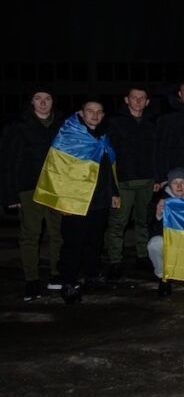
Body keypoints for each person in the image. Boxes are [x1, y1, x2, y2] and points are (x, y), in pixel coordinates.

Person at [34, 100, 120, 304]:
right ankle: (68, 283)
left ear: (103, 115)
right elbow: (57, 171)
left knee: (95, 242)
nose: (95, 115)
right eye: (90, 111)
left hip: (99, 200)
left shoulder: (103, 137)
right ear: (81, 113)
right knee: (73, 245)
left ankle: (91, 276)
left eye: (99, 112)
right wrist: (63, 202)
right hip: (75, 202)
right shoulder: (68, 136)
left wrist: (114, 193)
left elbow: (108, 168)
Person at [1, 86, 64, 300]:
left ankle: (56, 274)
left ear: (53, 101)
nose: (43, 102)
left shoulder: (62, 126)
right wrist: (10, 194)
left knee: (57, 233)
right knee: (30, 234)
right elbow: (8, 161)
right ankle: (32, 280)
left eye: (47, 98)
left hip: (56, 188)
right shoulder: (18, 127)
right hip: (29, 188)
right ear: (31, 102)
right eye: (38, 98)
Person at [103, 85, 159, 283]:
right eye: (134, 97)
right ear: (127, 99)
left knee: (143, 221)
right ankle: (115, 261)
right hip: (123, 181)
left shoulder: (152, 123)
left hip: (147, 180)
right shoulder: (114, 122)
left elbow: (156, 152)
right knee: (118, 222)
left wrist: (157, 178)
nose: (138, 101)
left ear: (147, 102)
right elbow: (107, 153)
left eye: (142, 98)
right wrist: (111, 184)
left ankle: (142, 256)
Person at [147, 168, 184, 296]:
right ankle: (163, 276)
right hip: (171, 242)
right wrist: (159, 215)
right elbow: (151, 230)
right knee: (155, 243)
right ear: (169, 184)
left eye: (183, 182)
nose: (179, 186)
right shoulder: (159, 200)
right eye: (175, 183)